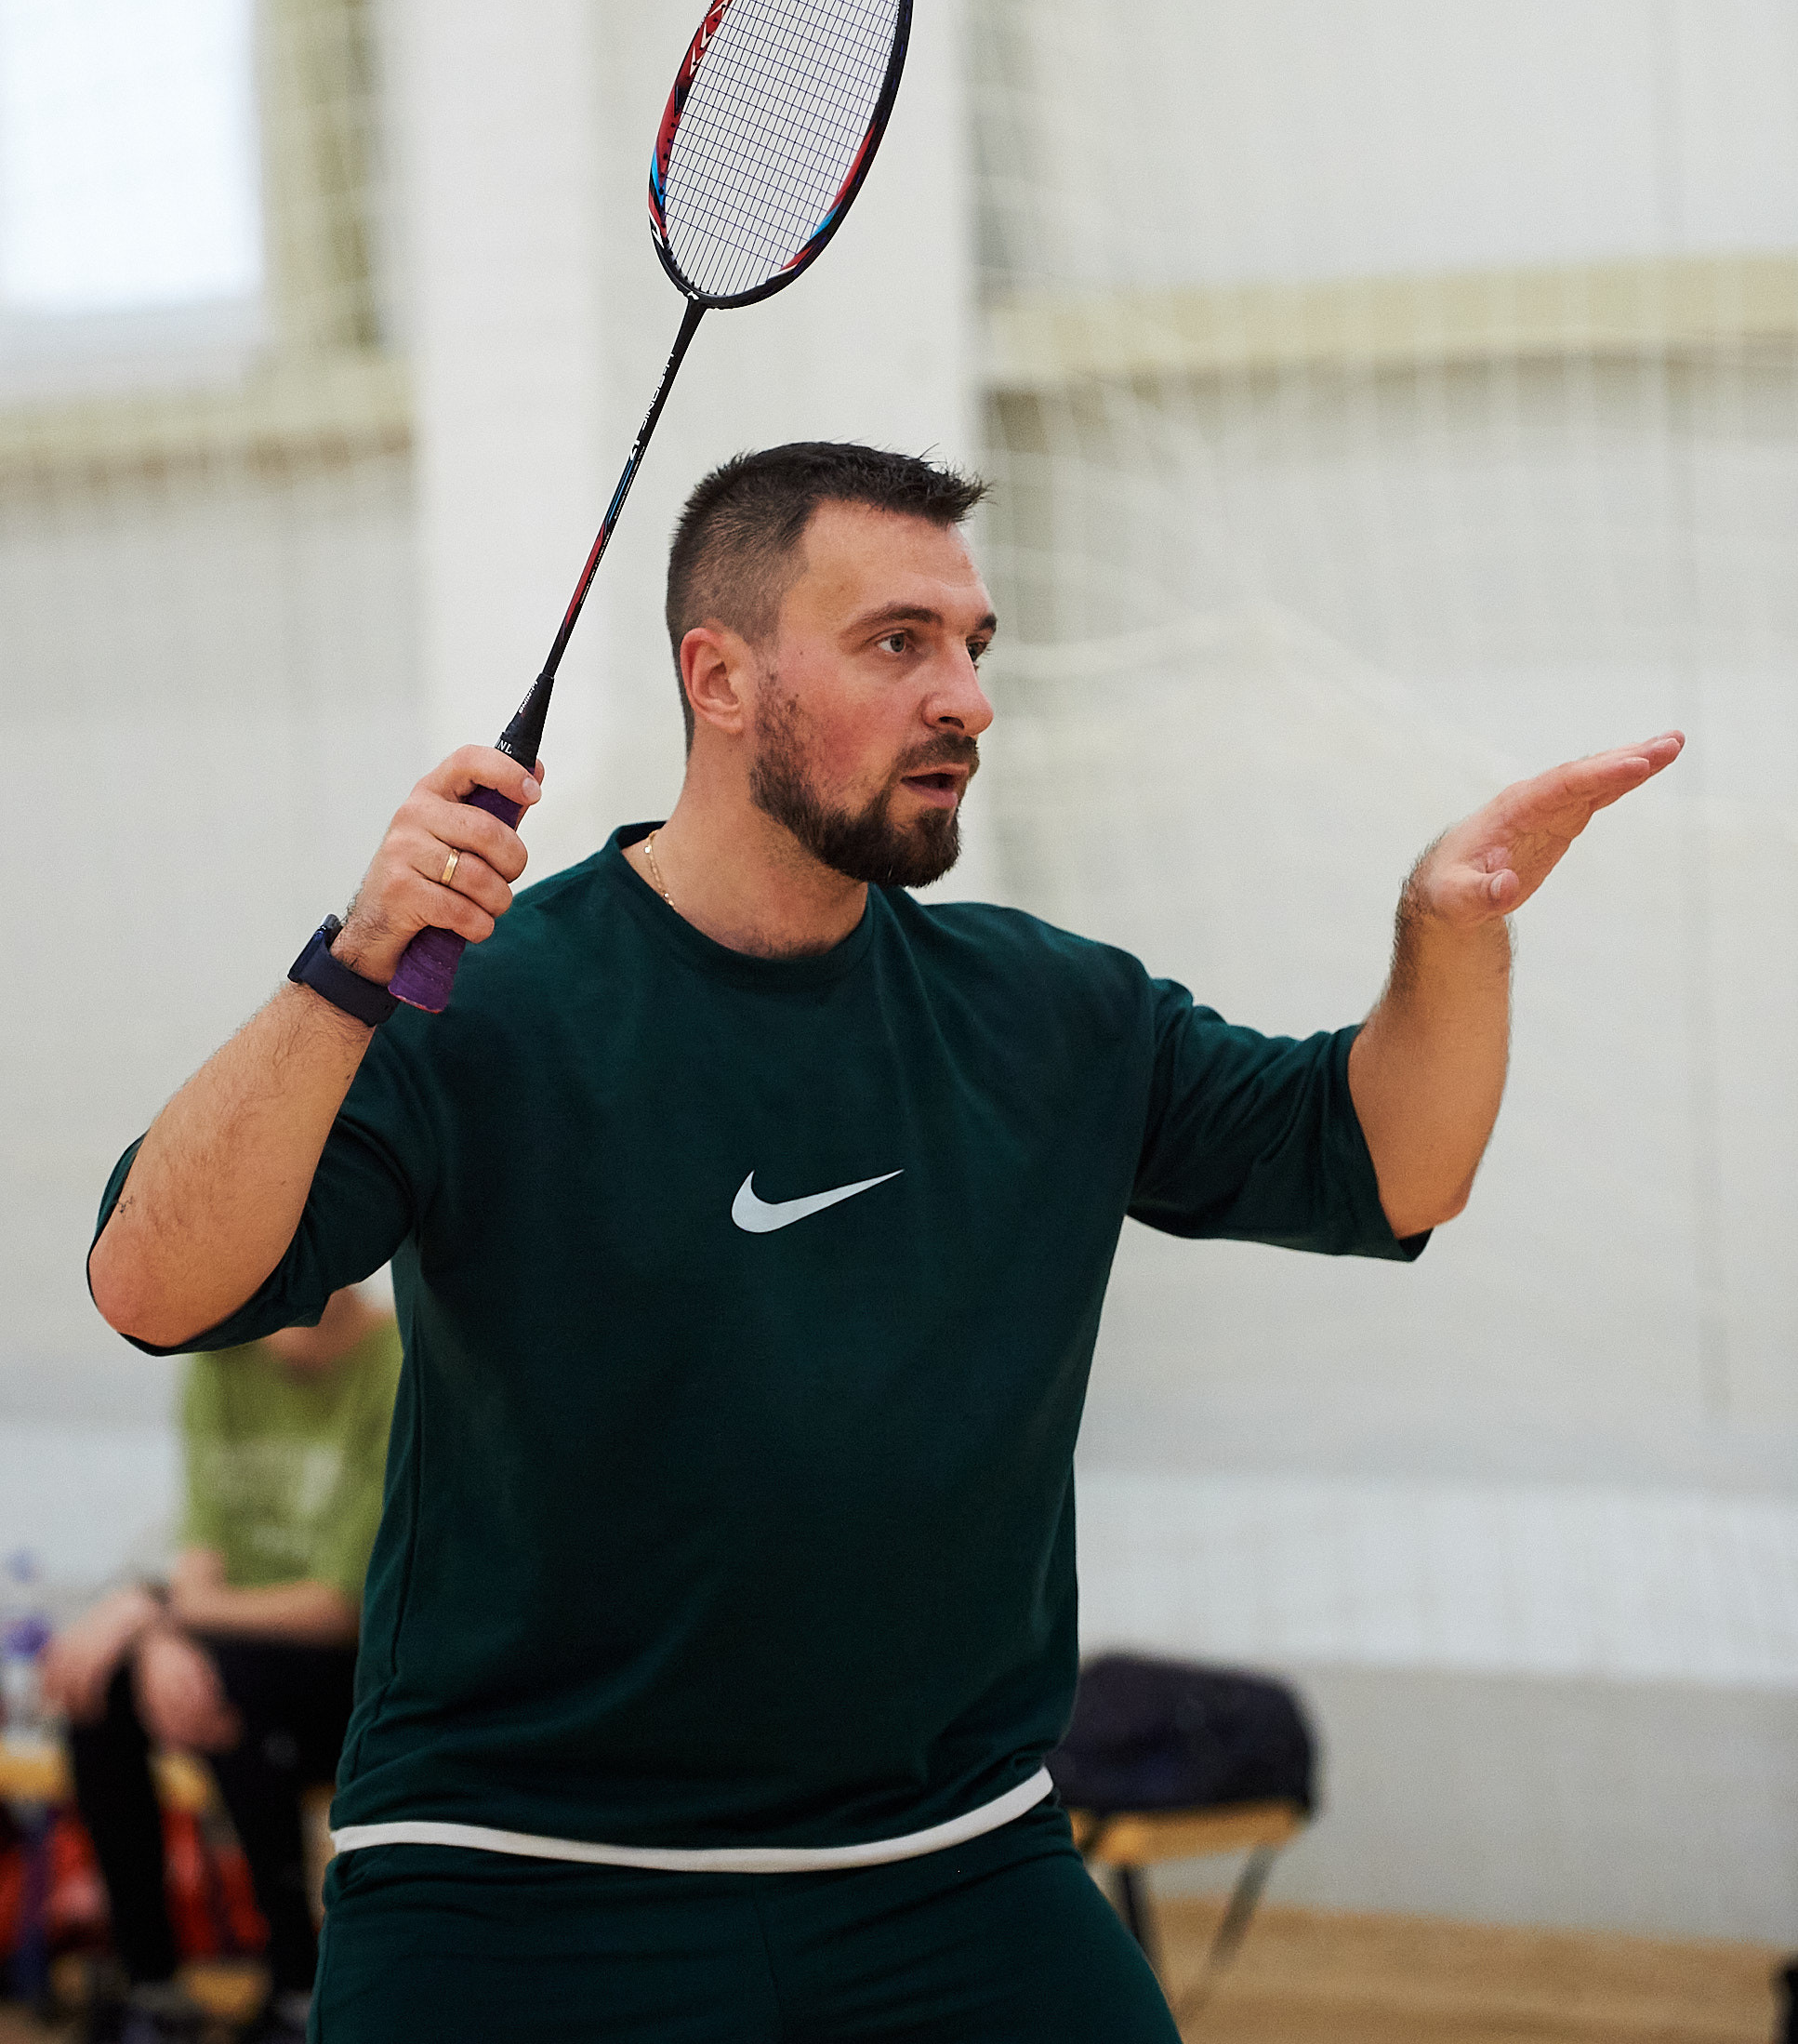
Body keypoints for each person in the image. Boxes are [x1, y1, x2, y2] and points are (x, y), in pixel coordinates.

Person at [86, 443, 1681, 2042]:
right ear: (719, 676)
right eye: (896, 642)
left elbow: (1393, 1168)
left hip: (948, 1872)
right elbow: (153, 1286)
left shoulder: (1054, 1014)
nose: (965, 699)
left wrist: (1447, 933)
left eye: (972, 648)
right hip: (515, 1885)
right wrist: (351, 965)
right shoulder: (483, 1003)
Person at [43, 1287, 400, 2044]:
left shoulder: (397, 1364)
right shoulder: (220, 1358)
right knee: (95, 1687)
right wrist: (154, 1638)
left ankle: (296, 1983)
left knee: (223, 1693)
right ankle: (153, 1983)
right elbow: (202, 1572)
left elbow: (340, 1605)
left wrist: (152, 1615)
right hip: (234, 1648)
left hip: (363, 1669)